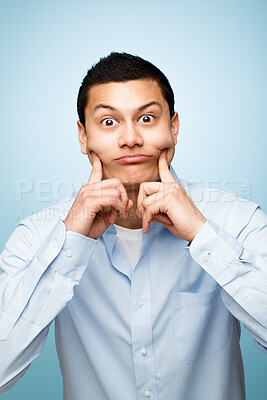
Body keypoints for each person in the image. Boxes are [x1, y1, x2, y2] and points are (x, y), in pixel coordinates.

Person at [0, 52, 266, 400]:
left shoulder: (238, 219)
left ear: (173, 127)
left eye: (146, 118)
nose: (130, 138)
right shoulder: (38, 235)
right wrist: (70, 245)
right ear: (84, 136)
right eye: (109, 122)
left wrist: (203, 235)